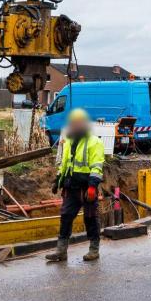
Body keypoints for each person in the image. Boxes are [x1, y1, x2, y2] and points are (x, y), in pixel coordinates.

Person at [46, 108, 105, 263]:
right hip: (71, 187)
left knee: (90, 218)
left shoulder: (95, 142)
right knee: (66, 217)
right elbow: (65, 164)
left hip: (87, 188)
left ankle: (94, 249)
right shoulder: (69, 141)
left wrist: (92, 186)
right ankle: (61, 251)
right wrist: (57, 180)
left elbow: (97, 166)